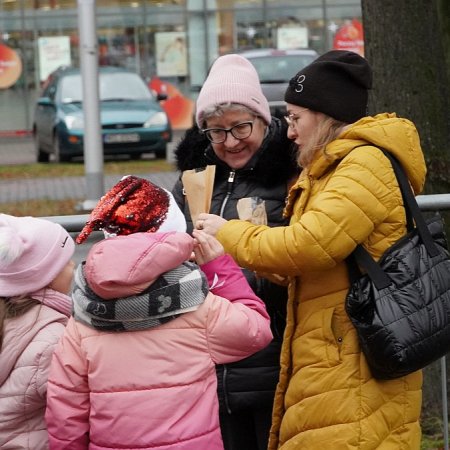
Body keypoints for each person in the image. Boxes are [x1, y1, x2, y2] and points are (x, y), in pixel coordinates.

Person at [196, 50, 426, 449]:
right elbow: (318, 254)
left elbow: (310, 244)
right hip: (333, 347)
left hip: (351, 351)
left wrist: (229, 235)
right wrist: (273, 267)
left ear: (324, 116)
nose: (288, 131)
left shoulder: (362, 164)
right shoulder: (330, 168)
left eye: (295, 118)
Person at [45, 175, 273, 450]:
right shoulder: (198, 304)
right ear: (173, 236)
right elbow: (256, 332)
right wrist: (219, 269)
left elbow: (66, 412)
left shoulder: (83, 314)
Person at [171, 53, 299, 450]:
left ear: (262, 118)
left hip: (273, 351)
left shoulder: (291, 174)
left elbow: (299, 253)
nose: (230, 141)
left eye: (240, 127)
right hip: (208, 362)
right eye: (216, 131)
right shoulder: (193, 179)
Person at [0, 214, 75, 450]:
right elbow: (72, 415)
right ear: (44, 277)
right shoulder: (52, 339)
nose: (73, 266)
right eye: (65, 262)